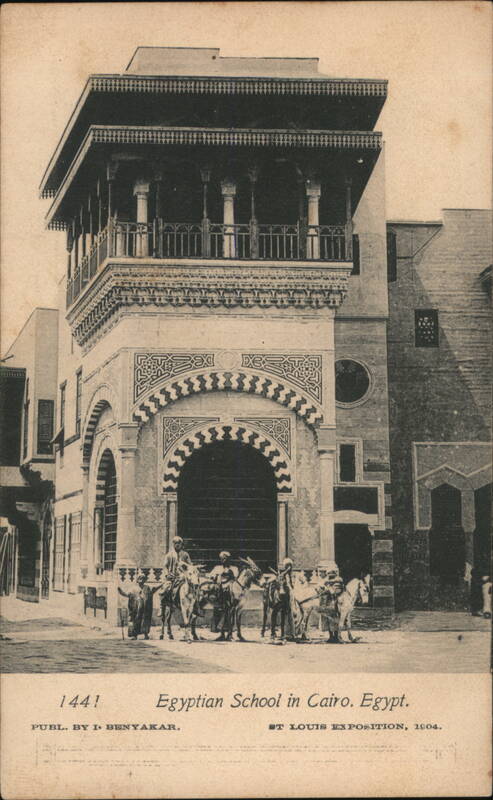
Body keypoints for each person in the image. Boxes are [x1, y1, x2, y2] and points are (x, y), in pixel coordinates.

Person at [118, 574, 162, 640]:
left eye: (143, 579)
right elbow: (127, 594)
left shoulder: (147, 587)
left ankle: (146, 634)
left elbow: (154, 589)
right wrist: (120, 591)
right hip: (136, 609)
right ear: (137, 580)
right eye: (140, 579)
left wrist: (162, 584)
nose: (141, 581)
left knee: (145, 621)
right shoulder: (133, 588)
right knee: (135, 621)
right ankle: (134, 635)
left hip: (145, 609)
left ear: (145, 580)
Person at [208, 551, 239, 634]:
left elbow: (235, 579)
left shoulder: (234, 568)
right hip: (219, 594)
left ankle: (229, 633)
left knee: (229, 612)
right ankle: (221, 633)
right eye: (222, 558)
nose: (223, 560)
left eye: (225, 558)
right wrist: (214, 577)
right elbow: (210, 576)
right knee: (218, 611)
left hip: (229, 594)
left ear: (229, 559)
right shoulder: (217, 568)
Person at [317, 562, 344, 642]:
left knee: (335, 620)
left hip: (334, 602)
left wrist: (330, 589)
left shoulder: (338, 580)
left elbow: (338, 591)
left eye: (331, 573)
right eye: (329, 574)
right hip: (327, 602)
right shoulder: (326, 581)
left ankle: (336, 636)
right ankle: (331, 636)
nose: (330, 575)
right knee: (327, 620)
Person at [161, 536, 192, 604]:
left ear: (181, 544)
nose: (177, 545)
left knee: (192, 589)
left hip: (183, 577)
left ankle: (194, 609)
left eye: (179, 543)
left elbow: (190, 566)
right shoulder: (169, 555)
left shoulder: (185, 554)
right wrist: (167, 574)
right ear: (173, 544)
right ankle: (162, 606)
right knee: (165, 589)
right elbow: (165, 566)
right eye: (175, 543)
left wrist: (186, 569)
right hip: (172, 576)